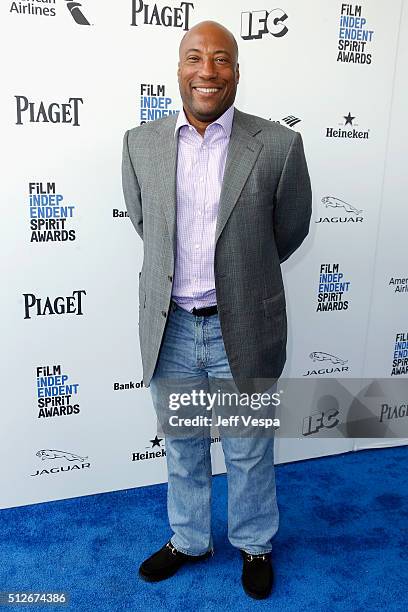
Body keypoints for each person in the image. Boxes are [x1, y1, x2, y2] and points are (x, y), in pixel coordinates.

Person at [122, 20, 312, 599]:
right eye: (196, 58)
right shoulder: (140, 144)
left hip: (243, 326)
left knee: (249, 448)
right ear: (179, 69)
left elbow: (290, 231)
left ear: (236, 72)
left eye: (222, 59)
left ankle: (254, 543)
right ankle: (189, 539)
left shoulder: (277, 145)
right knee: (181, 445)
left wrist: (240, 278)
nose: (209, 71)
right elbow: (144, 224)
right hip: (172, 327)